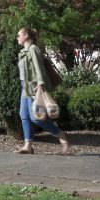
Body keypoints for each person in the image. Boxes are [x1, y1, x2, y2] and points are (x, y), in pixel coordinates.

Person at [15, 26, 69, 154]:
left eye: (19, 35)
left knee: (37, 118)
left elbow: (39, 68)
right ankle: (28, 146)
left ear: (26, 36)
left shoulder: (33, 49)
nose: (17, 37)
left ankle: (61, 135)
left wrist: (40, 83)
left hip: (35, 87)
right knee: (24, 115)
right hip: (25, 87)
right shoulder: (23, 52)